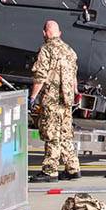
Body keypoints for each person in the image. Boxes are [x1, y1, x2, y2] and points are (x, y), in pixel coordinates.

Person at [29, 19, 81, 183]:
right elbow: (74, 77)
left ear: (45, 33)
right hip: (67, 101)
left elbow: (40, 77)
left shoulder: (46, 50)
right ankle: (73, 168)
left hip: (52, 100)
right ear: (60, 33)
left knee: (51, 134)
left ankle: (50, 171)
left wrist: (32, 97)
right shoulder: (70, 51)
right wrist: (75, 93)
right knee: (65, 134)